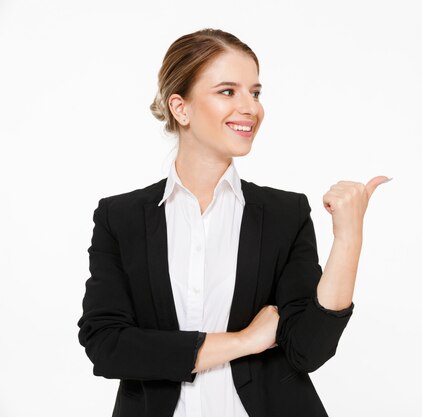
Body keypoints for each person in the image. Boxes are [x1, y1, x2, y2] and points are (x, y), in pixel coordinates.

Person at [77, 28, 390, 417]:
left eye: (255, 93)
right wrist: (244, 341)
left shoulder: (284, 214)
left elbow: (308, 349)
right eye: (228, 91)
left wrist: (348, 238)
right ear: (181, 108)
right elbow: (107, 346)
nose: (251, 107)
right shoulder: (119, 217)